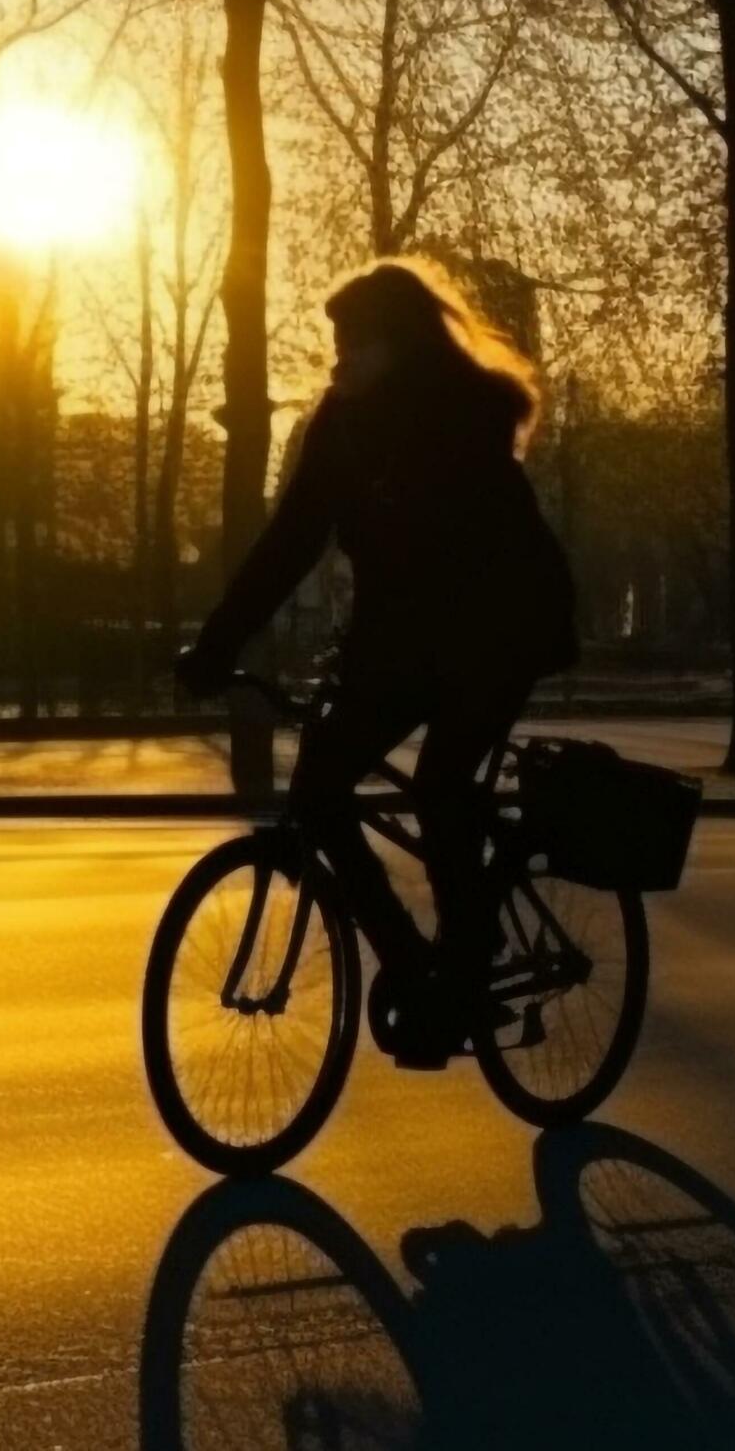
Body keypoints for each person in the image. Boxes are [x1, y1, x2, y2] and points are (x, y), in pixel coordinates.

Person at [174, 258, 578, 1063]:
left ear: (402, 344)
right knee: (318, 793)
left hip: (504, 626)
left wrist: (380, 655)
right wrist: (218, 642)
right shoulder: (344, 424)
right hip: (411, 637)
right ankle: (410, 959)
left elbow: (461, 563)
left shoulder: (461, 416)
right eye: (336, 341)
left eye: (357, 341)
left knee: (440, 790)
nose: (340, 357)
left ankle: (462, 977)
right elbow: (292, 539)